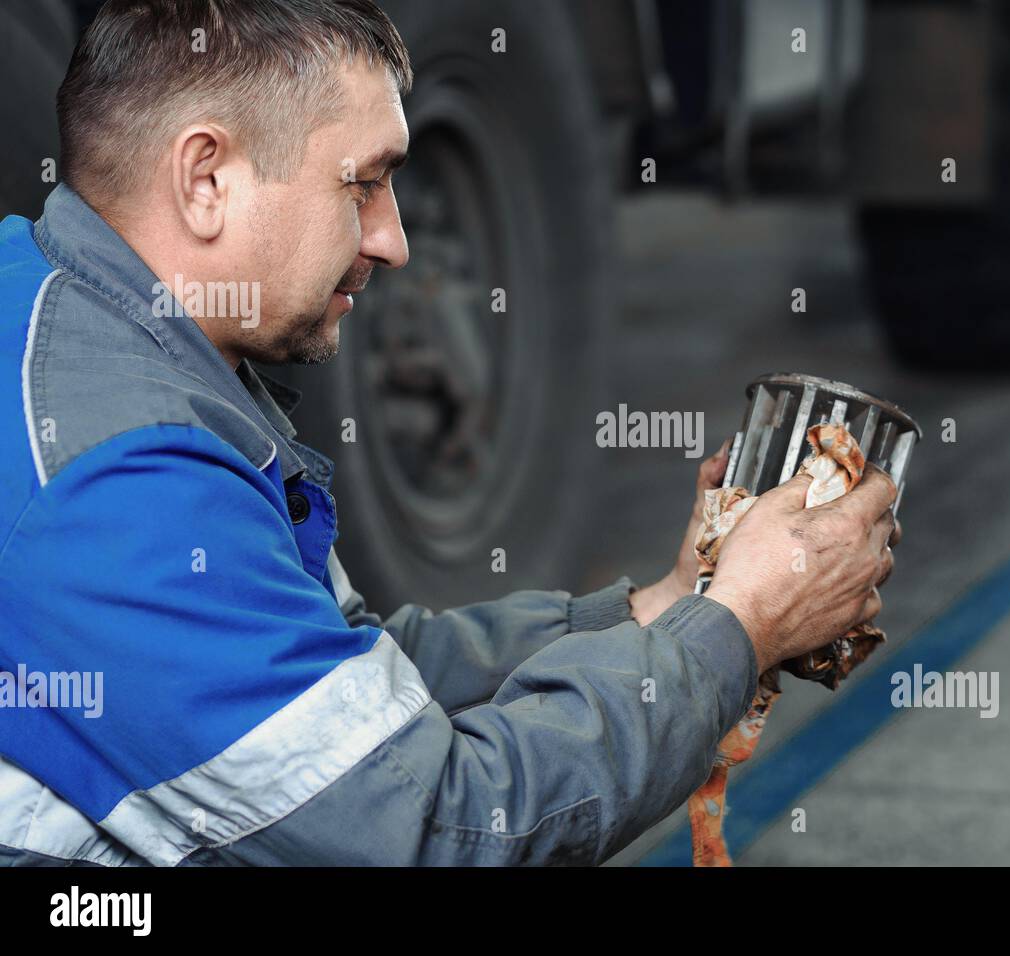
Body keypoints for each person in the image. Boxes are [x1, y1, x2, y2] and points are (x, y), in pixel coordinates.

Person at [0, 0, 898, 866]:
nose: (394, 240)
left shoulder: (66, 306)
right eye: (364, 183)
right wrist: (737, 628)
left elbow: (335, 683)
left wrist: (664, 610)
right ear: (205, 181)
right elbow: (434, 830)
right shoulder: (121, 480)